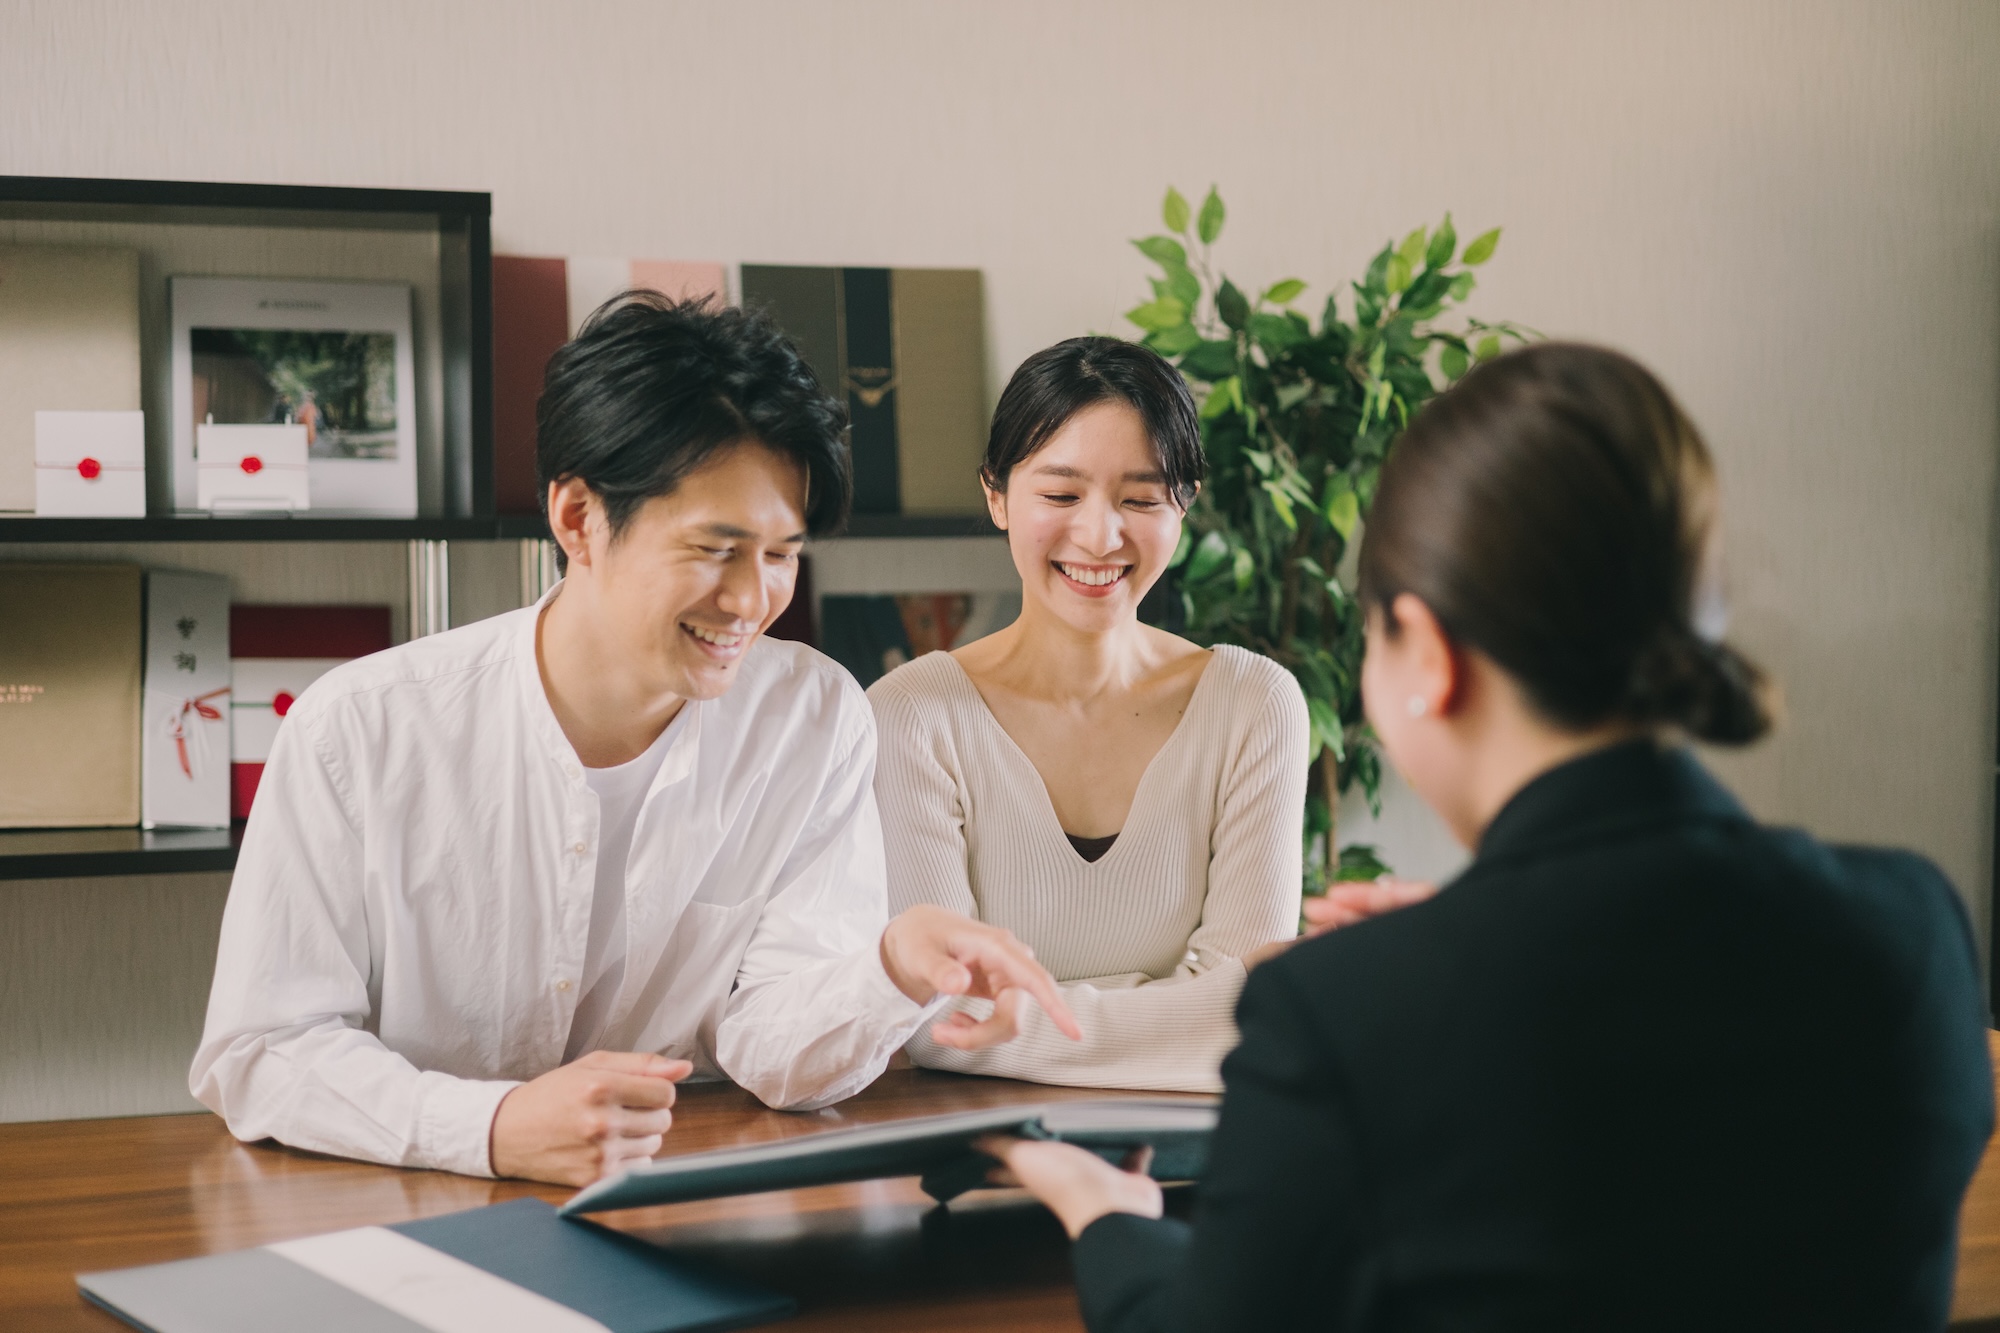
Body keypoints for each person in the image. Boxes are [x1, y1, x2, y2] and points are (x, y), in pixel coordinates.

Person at [982, 342, 1994, 1330]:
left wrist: (1107, 1217)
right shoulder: (1912, 928)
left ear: (1425, 653)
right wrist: (1468, 942)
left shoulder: (1349, 1013)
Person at [190, 295, 1079, 1187]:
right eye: (715, 549)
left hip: (675, 1196)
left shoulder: (812, 717)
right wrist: (489, 1126)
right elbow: (261, 1050)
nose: (752, 600)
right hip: (406, 1205)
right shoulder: (359, 728)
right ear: (579, 517)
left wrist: (889, 967)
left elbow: (775, 1052)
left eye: (781, 554)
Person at [869, 336, 1307, 1094]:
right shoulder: (910, 717)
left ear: (1184, 503)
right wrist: (1189, 1010)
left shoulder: (1253, 704)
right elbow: (943, 1023)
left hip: (1202, 1146)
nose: (1101, 537)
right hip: (977, 1143)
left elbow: (1257, 1015)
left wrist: (1024, 1020)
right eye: (1061, 496)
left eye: (1140, 498)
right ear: (997, 496)